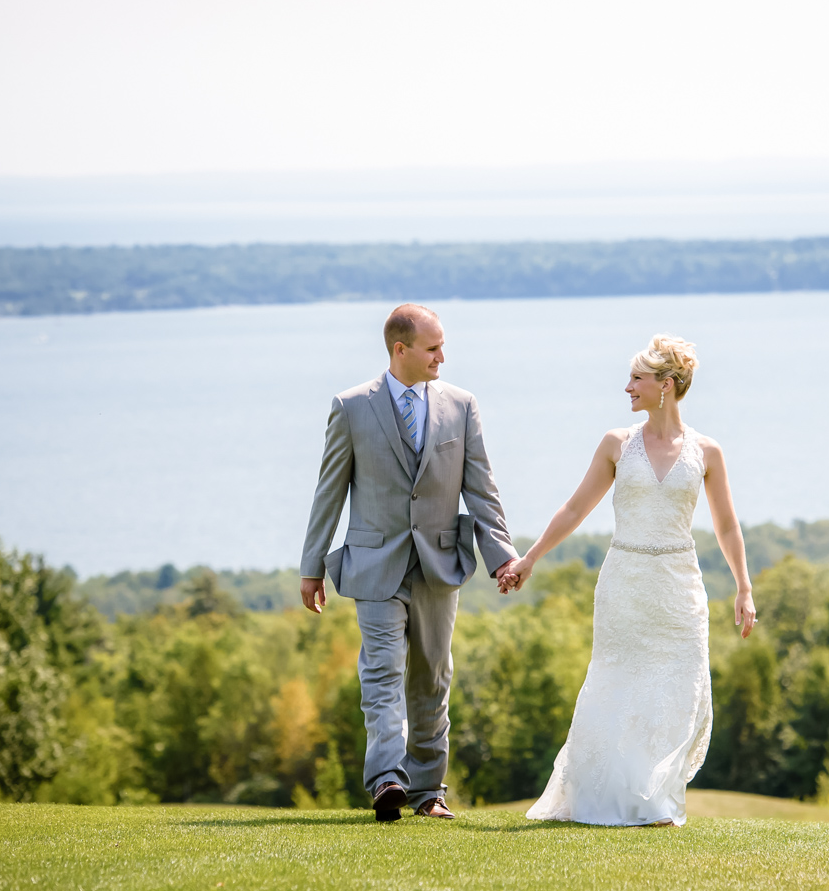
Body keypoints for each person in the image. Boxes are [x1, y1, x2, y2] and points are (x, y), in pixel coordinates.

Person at [501, 333, 756, 827]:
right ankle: (604, 799)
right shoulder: (616, 444)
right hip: (625, 583)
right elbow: (575, 508)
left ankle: (655, 798)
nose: (627, 388)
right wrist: (530, 558)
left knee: (678, 687)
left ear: (665, 385)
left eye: (636, 378)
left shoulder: (708, 451)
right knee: (616, 684)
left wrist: (744, 587)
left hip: (680, 587)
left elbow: (727, 525)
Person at [298, 303, 520, 821]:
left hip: (439, 564)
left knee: (432, 680)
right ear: (401, 350)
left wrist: (502, 557)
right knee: (381, 674)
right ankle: (387, 782)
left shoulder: (461, 406)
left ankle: (428, 792)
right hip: (375, 564)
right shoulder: (351, 407)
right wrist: (311, 566)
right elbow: (329, 489)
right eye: (433, 347)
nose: (443, 355)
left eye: (442, 345)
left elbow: (481, 490)